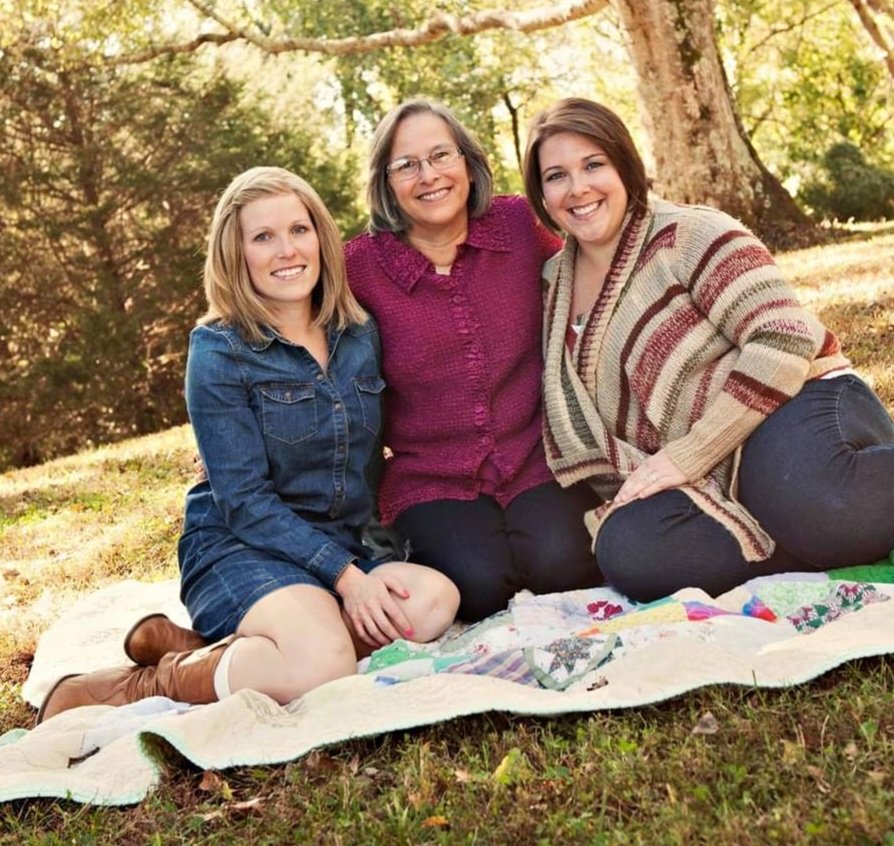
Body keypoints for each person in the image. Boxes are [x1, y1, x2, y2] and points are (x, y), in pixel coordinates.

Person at [37, 167, 459, 723]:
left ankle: (201, 651)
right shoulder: (218, 351)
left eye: (299, 230)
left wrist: (366, 559)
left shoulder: (358, 332)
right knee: (322, 662)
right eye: (263, 237)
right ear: (236, 254)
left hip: (342, 539)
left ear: (321, 238)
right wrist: (347, 579)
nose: (287, 250)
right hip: (241, 547)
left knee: (433, 602)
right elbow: (244, 503)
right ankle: (139, 684)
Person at [522, 97, 894, 603]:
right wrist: (680, 469)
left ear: (624, 166)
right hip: (711, 477)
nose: (578, 188)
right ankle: (813, 541)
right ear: (540, 193)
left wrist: (688, 456)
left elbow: (784, 337)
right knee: (632, 551)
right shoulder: (550, 287)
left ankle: (823, 520)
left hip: (792, 405)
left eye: (593, 165)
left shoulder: (688, 233)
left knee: (807, 498)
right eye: (556, 175)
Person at [344, 99, 603, 623]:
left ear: (467, 161)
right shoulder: (360, 267)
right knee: (479, 586)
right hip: (430, 476)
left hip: (536, 457)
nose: (429, 175)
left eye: (442, 155)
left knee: (565, 566)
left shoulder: (515, 224)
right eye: (407, 165)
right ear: (386, 182)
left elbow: (592, 268)